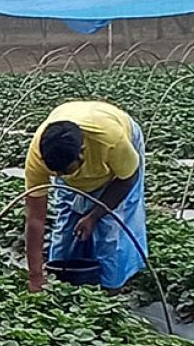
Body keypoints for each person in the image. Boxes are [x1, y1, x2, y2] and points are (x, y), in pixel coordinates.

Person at [22, 101, 147, 293]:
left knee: (111, 230)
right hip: (76, 152)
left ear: (82, 152)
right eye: (57, 173)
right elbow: (35, 218)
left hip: (117, 166)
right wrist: (35, 275)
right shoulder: (39, 157)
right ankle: (63, 284)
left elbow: (127, 180)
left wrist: (93, 216)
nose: (62, 176)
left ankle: (110, 291)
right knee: (66, 229)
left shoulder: (111, 140)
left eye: (67, 170)